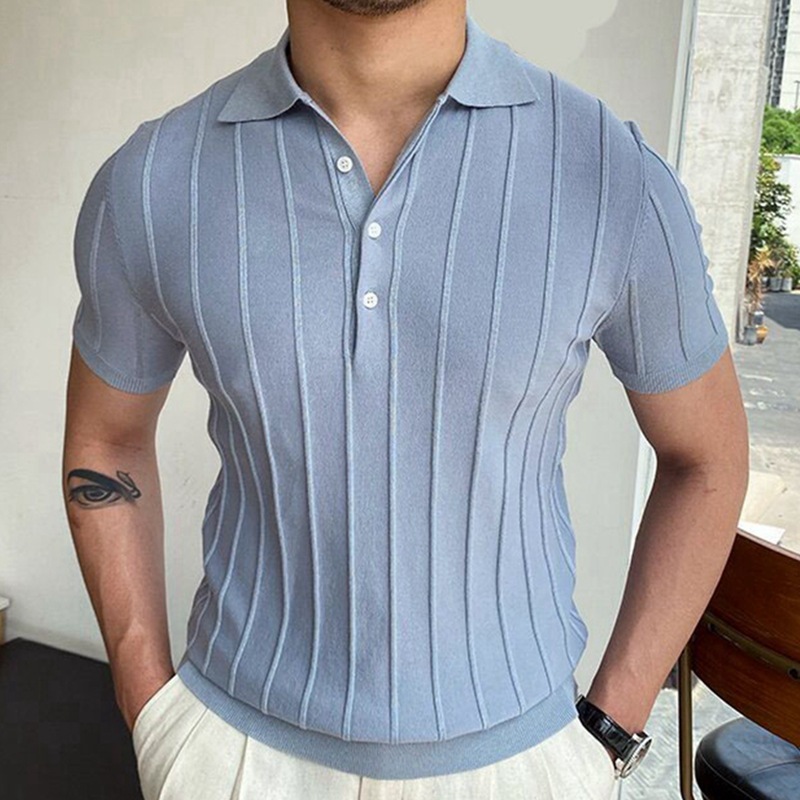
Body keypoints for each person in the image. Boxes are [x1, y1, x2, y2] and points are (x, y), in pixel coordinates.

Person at [62, 0, 750, 797]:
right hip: (232, 757)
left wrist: (608, 730)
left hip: (522, 766)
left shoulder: (611, 172)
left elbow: (707, 458)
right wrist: (148, 705)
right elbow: (106, 440)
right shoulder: (154, 177)